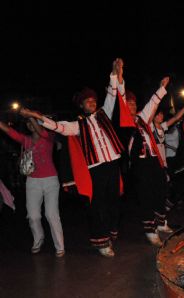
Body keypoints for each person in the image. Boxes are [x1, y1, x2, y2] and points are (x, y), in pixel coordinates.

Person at [20, 59, 127, 257]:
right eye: (88, 101)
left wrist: (115, 73)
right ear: (82, 105)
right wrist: (37, 115)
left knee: (114, 202)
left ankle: (110, 232)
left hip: (112, 164)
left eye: (93, 99)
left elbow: (113, 95)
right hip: (95, 169)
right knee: (97, 205)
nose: (92, 102)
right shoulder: (77, 126)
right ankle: (102, 241)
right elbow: (58, 126)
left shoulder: (105, 113)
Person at [124, 78, 184, 247]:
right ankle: (150, 231)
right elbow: (151, 108)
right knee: (146, 197)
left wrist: (162, 88)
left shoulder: (141, 119)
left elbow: (151, 107)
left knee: (160, 192)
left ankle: (160, 223)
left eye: (133, 104)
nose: (132, 107)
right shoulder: (123, 123)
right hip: (139, 164)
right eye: (128, 104)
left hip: (154, 162)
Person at [0, 118, 65, 257]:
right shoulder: (25, 140)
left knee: (51, 214)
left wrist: (30, 115)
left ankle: (60, 245)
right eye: (28, 123)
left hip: (50, 181)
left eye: (34, 121)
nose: (31, 125)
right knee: (33, 216)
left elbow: (41, 131)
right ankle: (38, 239)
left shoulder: (48, 137)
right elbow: (9, 131)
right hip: (32, 182)